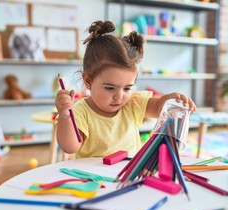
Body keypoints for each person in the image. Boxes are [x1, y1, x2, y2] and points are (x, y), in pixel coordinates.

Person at [55, 20, 196, 159]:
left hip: (127, 173)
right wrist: (65, 116)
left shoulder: (132, 102)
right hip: (93, 177)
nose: (119, 96)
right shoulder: (81, 111)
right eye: (110, 88)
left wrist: (172, 99)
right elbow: (70, 147)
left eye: (127, 88)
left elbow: (159, 107)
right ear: (88, 80)